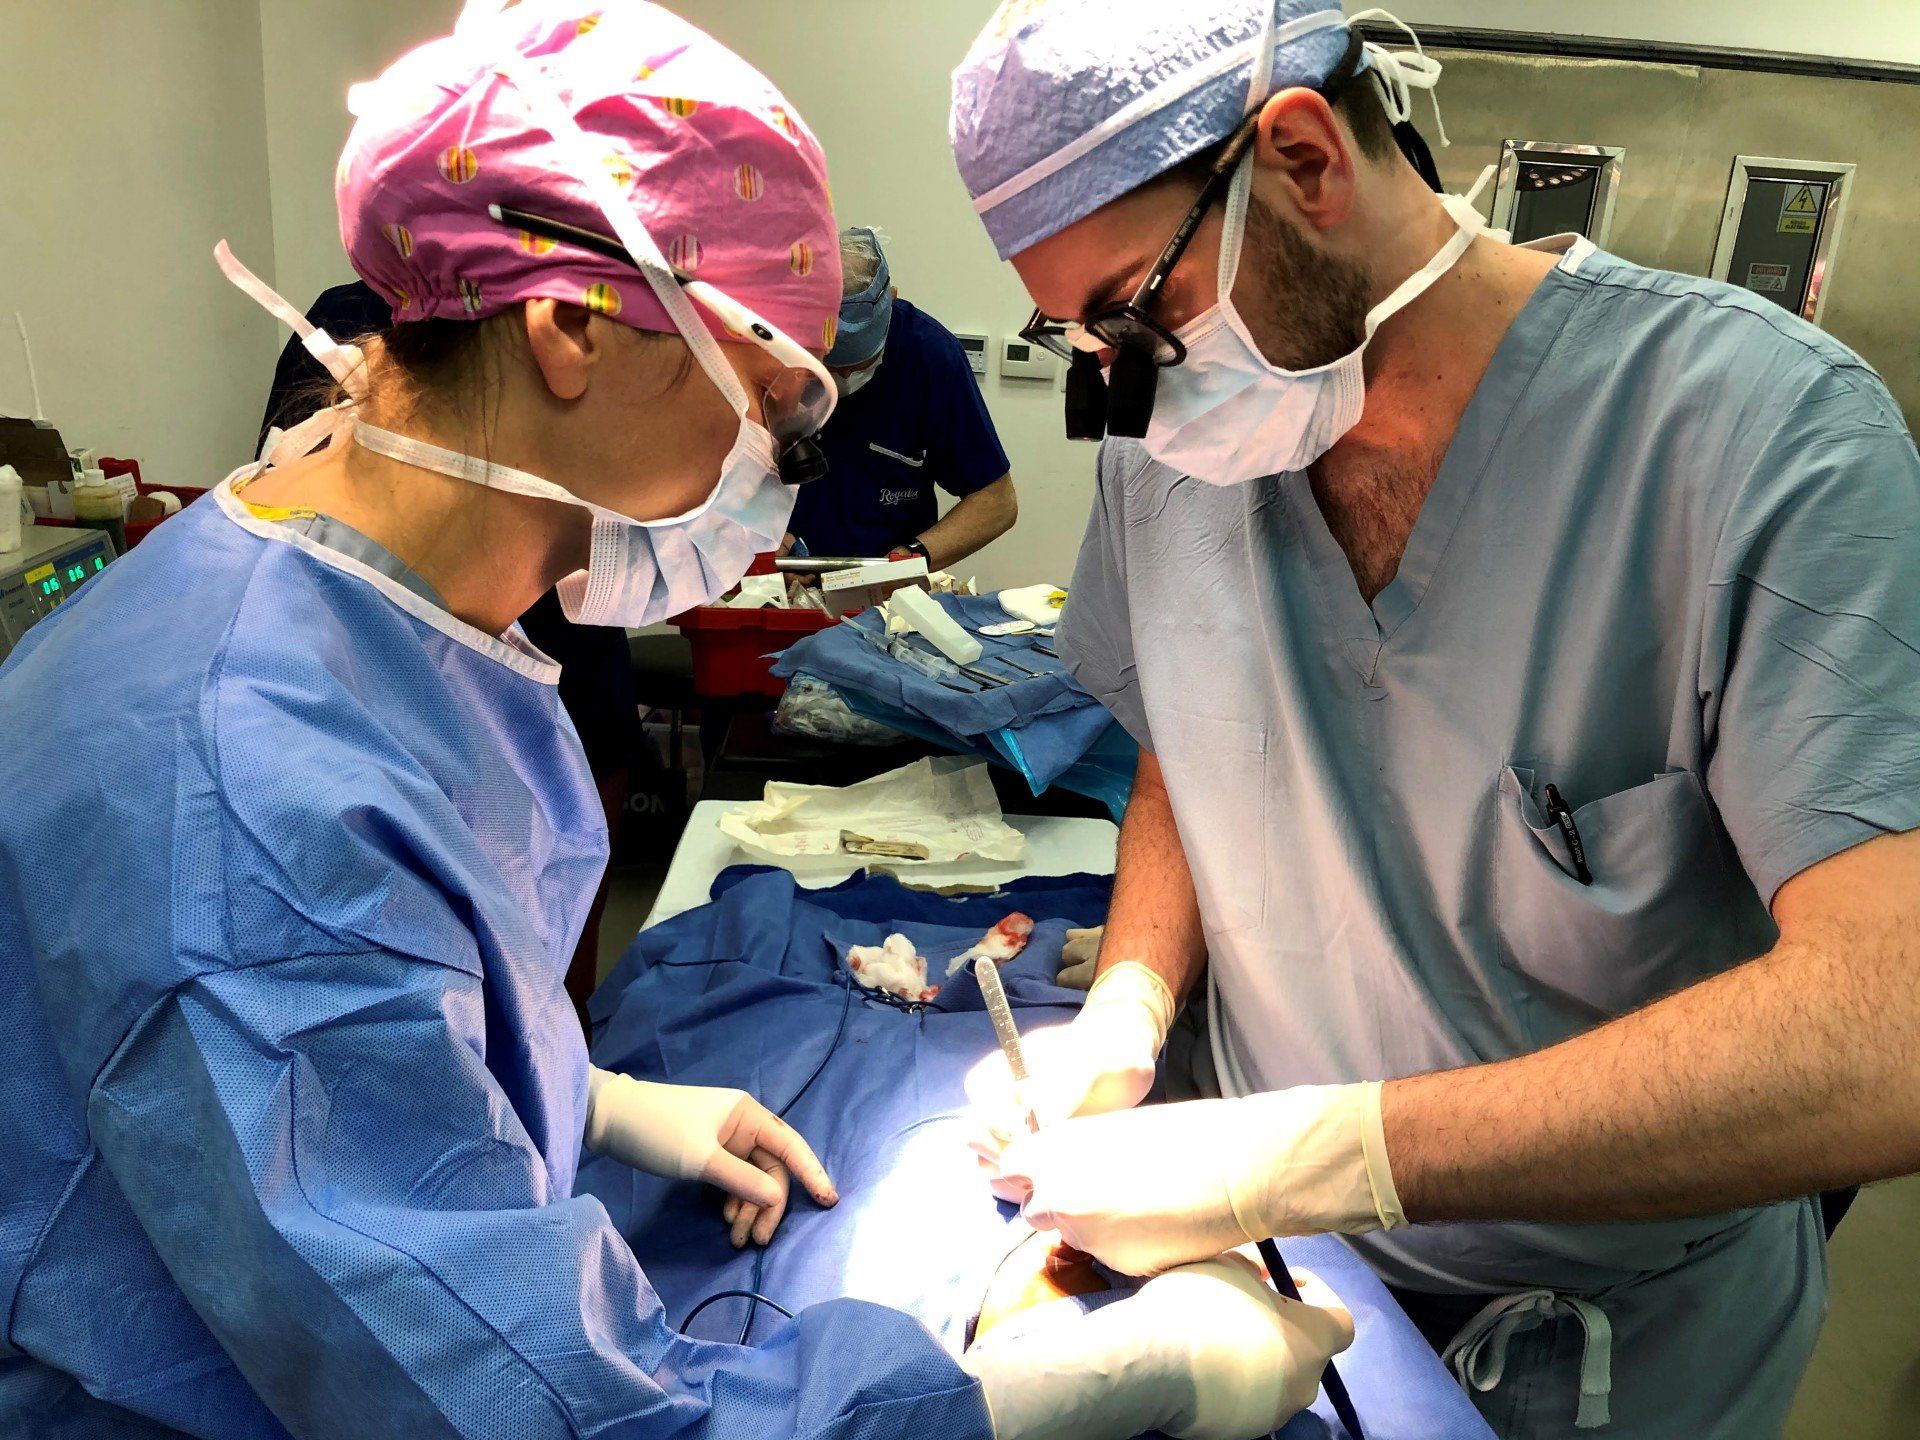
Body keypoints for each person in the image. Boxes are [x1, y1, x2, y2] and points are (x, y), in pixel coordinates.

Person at [0, 5, 1353, 1438]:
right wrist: (1076, 1384)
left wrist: (594, 1103)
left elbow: (373, 1015)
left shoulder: (373, 606)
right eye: (775, 404)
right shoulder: (241, 785)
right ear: (573, 328)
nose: (772, 469)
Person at [951, 3, 1920, 1437]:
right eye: (1081, 336)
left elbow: (1883, 1027)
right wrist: (1132, 1003)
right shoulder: (1176, 455)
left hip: (1616, 1339)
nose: (1122, 384)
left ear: (1303, 158)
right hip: (1262, 1270)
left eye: (1139, 312)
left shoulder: (1760, 442)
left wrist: (1312, 1153)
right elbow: (1190, 727)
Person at [256, 278, 638, 1022]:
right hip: (386, 692)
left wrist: (585, 1095)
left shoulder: (581, 324)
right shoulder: (344, 324)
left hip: (570, 683)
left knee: (546, 997)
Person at [784, 227, 1018, 567]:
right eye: (830, 368)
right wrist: (755, 541)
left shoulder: (931, 356)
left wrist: (912, 559)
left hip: (884, 592)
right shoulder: (765, 349)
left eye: (861, 364)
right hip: (772, 582)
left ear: (891, 299)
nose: (846, 380)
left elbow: (996, 502)